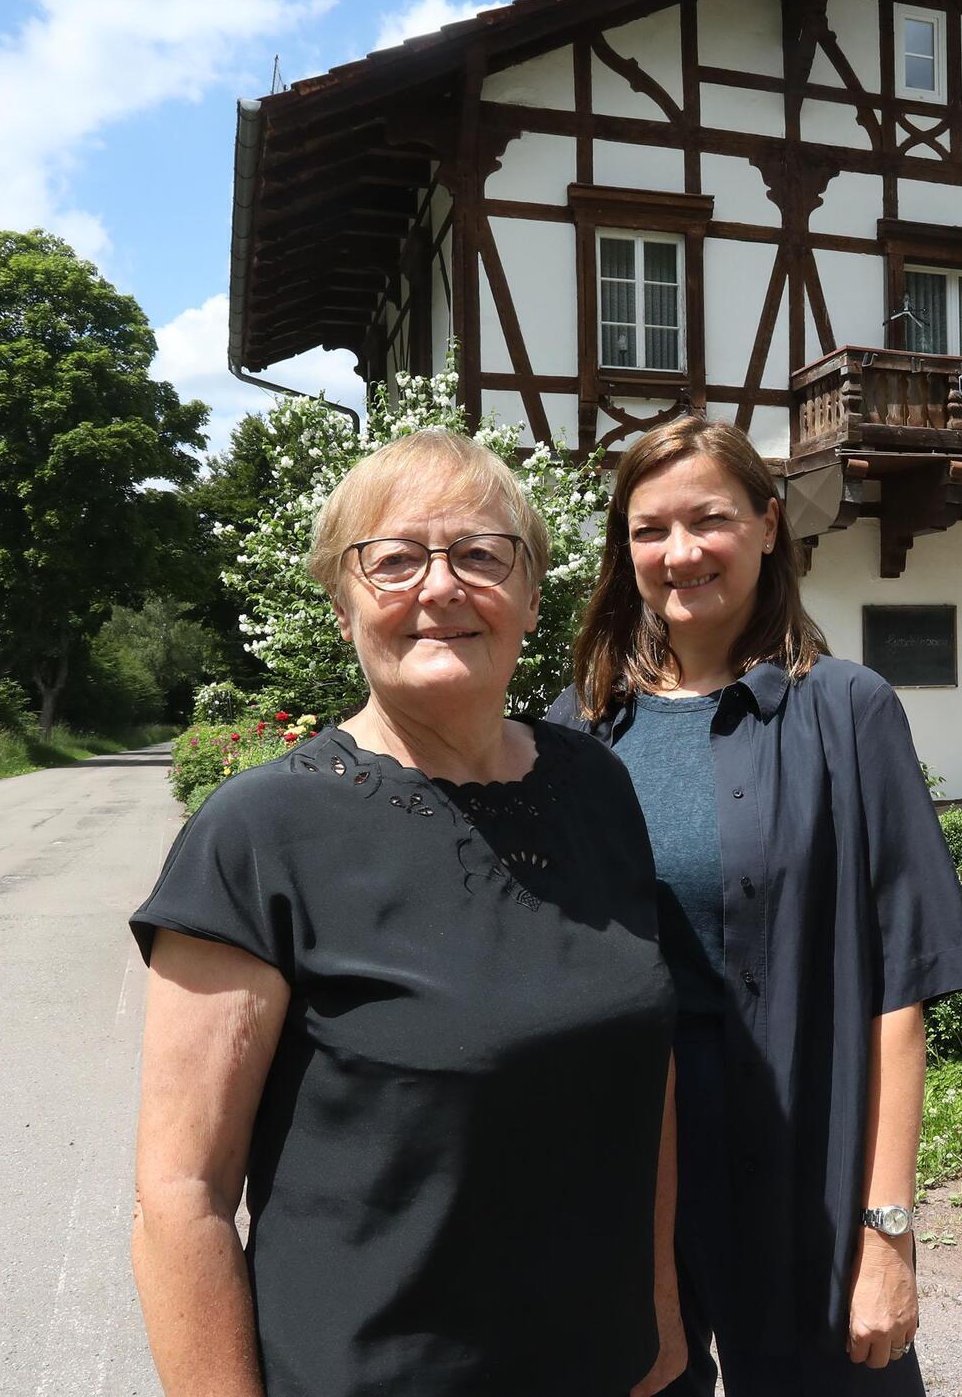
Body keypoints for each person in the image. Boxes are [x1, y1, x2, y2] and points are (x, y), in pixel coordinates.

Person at [130, 429, 684, 1397]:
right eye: (392, 560)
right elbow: (182, 1199)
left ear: (527, 594)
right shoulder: (259, 836)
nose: (439, 588)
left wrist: (663, 1327)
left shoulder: (596, 789)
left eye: (479, 554)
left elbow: (648, 1071)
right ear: (343, 607)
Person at [549, 416, 962, 1395]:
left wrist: (886, 1234)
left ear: (762, 526)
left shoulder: (847, 711)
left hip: (803, 1164)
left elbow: (898, 991)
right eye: (648, 529)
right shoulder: (572, 737)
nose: (679, 553)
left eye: (707, 520)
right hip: (624, 1170)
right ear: (624, 549)